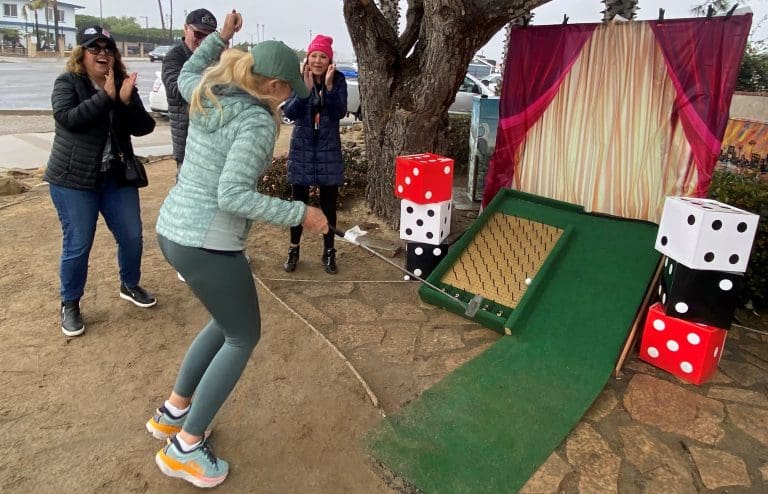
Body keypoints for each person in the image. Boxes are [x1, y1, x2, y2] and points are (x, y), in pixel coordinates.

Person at [148, 10, 328, 488]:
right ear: (272, 86)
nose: (291, 97)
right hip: (208, 241)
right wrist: (301, 215)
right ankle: (185, 447)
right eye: (289, 88)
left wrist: (220, 38)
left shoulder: (208, 92)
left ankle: (173, 410)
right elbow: (233, 196)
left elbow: (186, 71)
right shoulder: (255, 123)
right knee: (243, 336)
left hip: (174, 230)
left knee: (223, 322)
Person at [45, 25, 157, 337]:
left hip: (115, 177)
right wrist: (106, 99)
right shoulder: (67, 82)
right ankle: (70, 302)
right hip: (73, 181)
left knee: (132, 235)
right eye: (94, 48)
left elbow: (144, 127)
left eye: (108, 48)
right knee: (78, 243)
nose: (103, 53)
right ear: (80, 54)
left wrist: (124, 102)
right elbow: (68, 118)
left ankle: (129, 284)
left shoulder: (121, 83)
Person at [282, 34, 348, 275]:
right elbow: (290, 113)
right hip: (302, 148)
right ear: (308, 58)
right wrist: (305, 91)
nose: (318, 60)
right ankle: (293, 249)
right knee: (297, 205)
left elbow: (340, 111)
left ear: (329, 60)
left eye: (323, 56)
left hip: (328, 149)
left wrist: (329, 88)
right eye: (314, 55)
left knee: (329, 206)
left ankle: (329, 252)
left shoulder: (338, 80)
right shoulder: (299, 79)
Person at [161, 8, 217, 172]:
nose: (203, 41)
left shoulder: (217, 57)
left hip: (215, 146)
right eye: (199, 34)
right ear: (186, 29)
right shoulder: (174, 57)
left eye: (210, 36)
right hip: (188, 149)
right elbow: (179, 91)